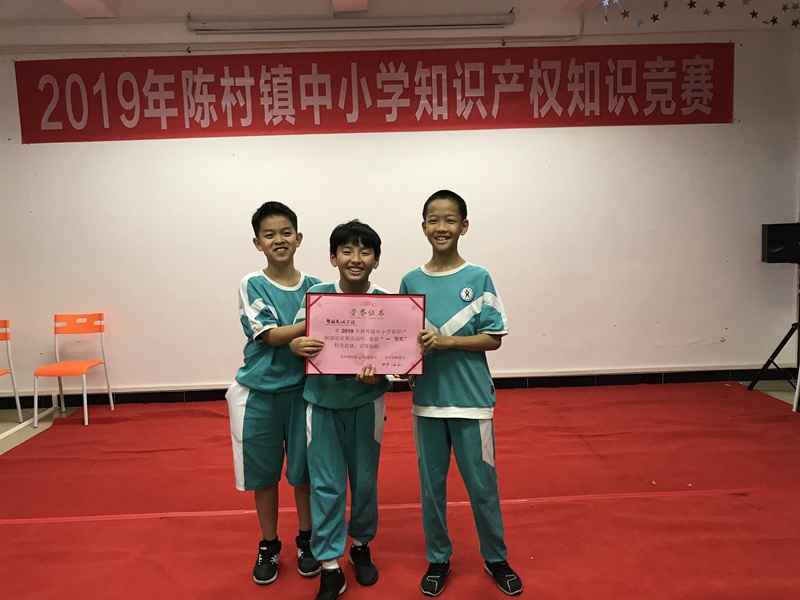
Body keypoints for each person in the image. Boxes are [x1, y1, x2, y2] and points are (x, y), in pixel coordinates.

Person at [399, 190, 523, 597]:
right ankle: (438, 558)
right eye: (433, 220)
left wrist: (447, 341)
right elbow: (403, 342)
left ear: (463, 226)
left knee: (483, 486)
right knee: (431, 489)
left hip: (473, 402)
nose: (441, 227)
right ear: (423, 226)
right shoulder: (410, 281)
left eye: (450, 220)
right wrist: (397, 363)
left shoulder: (478, 278)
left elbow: (494, 338)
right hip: (427, 404)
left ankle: (496, 558)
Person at [290, 220, 392, 600]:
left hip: (367, 404)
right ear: (333, 257)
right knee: (327, 485)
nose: (356, 258)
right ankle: (330, 564)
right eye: (346, 250)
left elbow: (398, 355)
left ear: (376, 260)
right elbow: (298, 340)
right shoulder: (317, 297)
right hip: (322, 406)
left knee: (364, 482)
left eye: (365, 251)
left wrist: (382, 371)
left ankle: (361, 545)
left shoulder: (387, 302)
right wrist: (295, 347)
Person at [225, 201, 322, 586]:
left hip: (305, 394)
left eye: (286, 233)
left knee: (304, 474)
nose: (279, 240)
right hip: (260, 396)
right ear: (257, 242)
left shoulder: (317, 287)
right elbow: (269, 335)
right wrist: (310, 328)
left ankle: (307, 540)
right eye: (269, 234)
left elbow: (332, 332)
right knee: (265, 476)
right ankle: (269, 544)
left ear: (299, 238)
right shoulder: (252, 283)